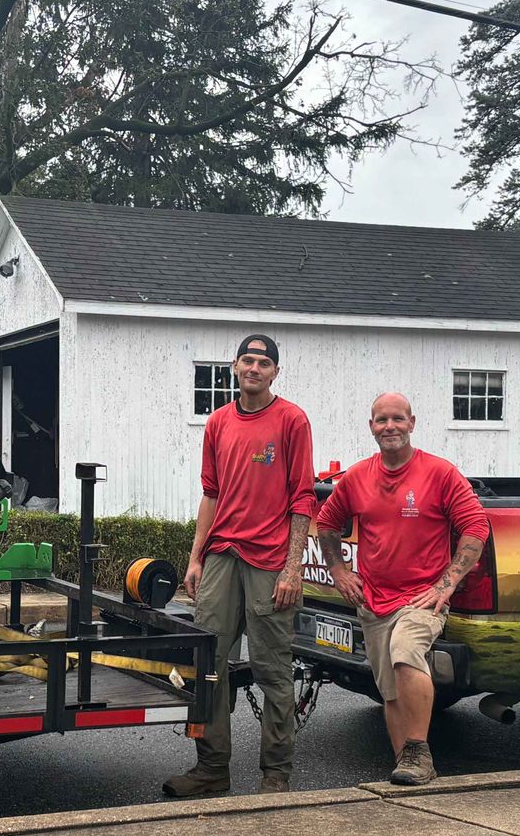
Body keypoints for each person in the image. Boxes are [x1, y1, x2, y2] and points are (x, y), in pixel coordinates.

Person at [164, 333, 315, 798]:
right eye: (247, 360)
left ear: (274, 372)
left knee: (272, 671)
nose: (254, 368)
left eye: (263, 362)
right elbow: (211, 493)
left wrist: (293, 569)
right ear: (234, 366)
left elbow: (303, 498)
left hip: (270, 562)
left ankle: (276, 774)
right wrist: (195, 558)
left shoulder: (292, 420)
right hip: (221, 557)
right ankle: (212, 770)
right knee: (208, 664)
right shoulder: (218, 423)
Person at [313, 392, 488, 785]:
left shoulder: (440, 473)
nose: (389, 426)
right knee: (389, 692)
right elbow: (327, 522)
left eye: (397, 419)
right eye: (381, 420)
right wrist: (339, 571)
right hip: (373, 601)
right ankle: (406, 767)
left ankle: (419, 752)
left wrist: (447, 583)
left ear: (412, 422)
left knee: (406, 653)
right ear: (371, 426)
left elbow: (476, 527)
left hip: (420, 598)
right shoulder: (357, 477)